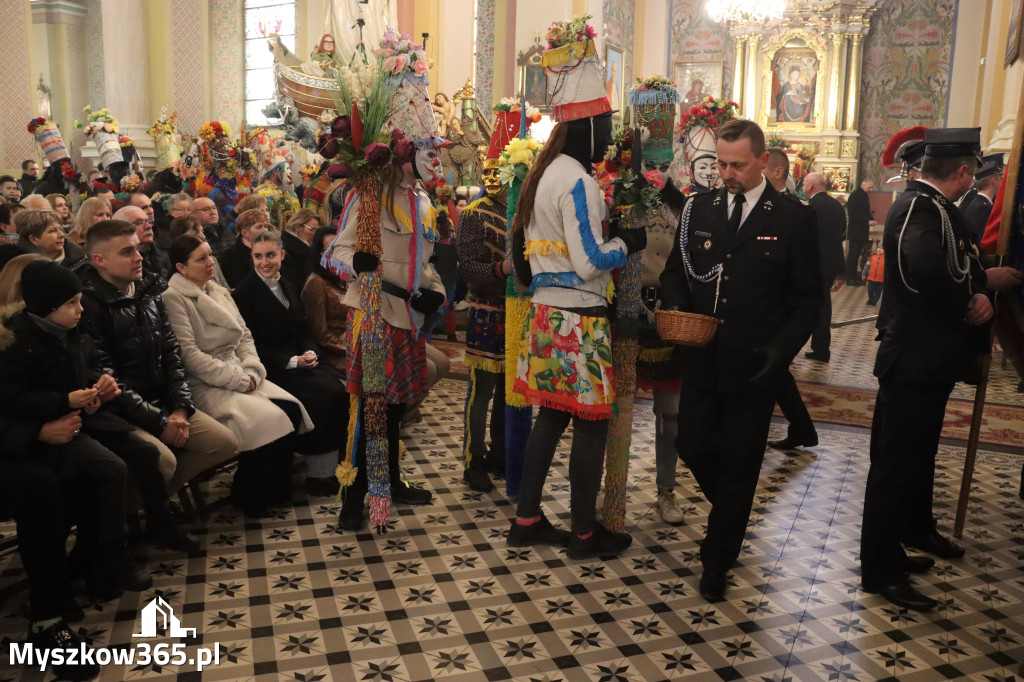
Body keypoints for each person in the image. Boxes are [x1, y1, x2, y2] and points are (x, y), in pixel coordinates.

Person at [660, 119, 820, 602]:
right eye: (722, 164)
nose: (726, 174)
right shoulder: (699, 209)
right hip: (702, 359)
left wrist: (781, 350)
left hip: (754, 365)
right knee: (692, 444)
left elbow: (808, 298)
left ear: (764, 161)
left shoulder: (792, 217)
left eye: (737, 165)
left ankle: (718, 555)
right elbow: (674, 275)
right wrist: (679, 311)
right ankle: (731, 511)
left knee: (743, 462)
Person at [860, 128, 1004, 611]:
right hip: (913, 360)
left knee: (913, 462)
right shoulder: (921, 208)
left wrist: (975, 281)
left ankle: (903, 542)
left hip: (927, 360)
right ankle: (880, 571)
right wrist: (975, 292)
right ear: (963, 172)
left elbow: (949, 261)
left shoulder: (928, 205)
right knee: (894, 468)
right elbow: (924, 267)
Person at [509, 116, 644, 558]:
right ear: (585, 130)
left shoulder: (543, 173)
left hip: (546, 313)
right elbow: (589, 262)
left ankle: (526, 518)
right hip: (579, 317)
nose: (608, 140)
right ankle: (584, 533)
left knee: (550, 418)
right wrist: (626, 242)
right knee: (591, 424)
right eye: (604, 130)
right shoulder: (578, 180)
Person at [0, 260, 154, 600]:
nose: (80, 310)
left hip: (70, 423)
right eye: (71, 303)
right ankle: (104, 558)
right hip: (35, 435)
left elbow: (79, 372)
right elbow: (12, 399)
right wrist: (63, 402)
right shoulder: (19, 341)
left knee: (124, 462)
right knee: (98, 473)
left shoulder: (64, 331)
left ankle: (103, 556)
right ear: (48, 306)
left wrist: (95, 392)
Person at [78, 219, 239, 494]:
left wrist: (179, 407)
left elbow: (172, 353)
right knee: (161, 460)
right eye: (127, 252)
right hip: (122, 411)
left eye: (138, 249)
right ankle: (143, 513)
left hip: (164, 401)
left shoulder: (149, 290)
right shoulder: (88, 305)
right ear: (99, 260)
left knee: (223, 443)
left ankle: (147, 504)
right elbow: (108, 377)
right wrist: (159, 423)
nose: (139, 257)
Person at [163, 234, 311, 516]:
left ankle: (275, 488)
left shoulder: (215, 289)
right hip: (207, 382)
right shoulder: (174, 298)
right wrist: (237, 378)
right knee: (265, 419)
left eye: (210, 255)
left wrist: (253, 369)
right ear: (181, 268)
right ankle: (249, 494)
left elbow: (244, 335)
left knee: (290, 408)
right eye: (202, 258)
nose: (210, 262)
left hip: (241, 369)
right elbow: (190, 357)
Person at [233, 231, 349, 496]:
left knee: (340, 387)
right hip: (271, 368)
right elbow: (249, 345)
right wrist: (291, 361)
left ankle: (338, 466)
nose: (265, 262)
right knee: (322, 395)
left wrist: (309, 352)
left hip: (299, 361)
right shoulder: (244, 294)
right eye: (258, 256)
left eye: (270, 255)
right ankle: (317, 475)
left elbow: (303, 329)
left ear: (282, 255)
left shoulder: (287, 285)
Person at [456, 114, 516, 493]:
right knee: (482, 392)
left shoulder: (518, 211)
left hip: (516, 313)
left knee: (511, 390)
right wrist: (502, 267)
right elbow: (469, 268)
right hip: (486, 312)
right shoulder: (474, 214)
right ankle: (472, 459)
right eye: (489, 170)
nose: (495, 177)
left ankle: (500, 453)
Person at [759, 155, 819, 452]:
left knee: (773, 372)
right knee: (776, 374)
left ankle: (802, 429)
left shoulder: (797, 212)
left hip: (780, 312)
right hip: (761, 310)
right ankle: (802, 429)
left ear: (777, 170)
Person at [802, 172, 846, 363]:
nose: (803, 187)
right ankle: (821, 348)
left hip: (814, 263)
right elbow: (843, 232)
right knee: (823, 304)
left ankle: (818, 349)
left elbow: (804, 237)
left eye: (804, 184)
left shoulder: (811, 207)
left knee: (813, 306)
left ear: (811, 186)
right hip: (831, 263)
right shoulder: (837, 205)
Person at [301, 226, 348, 374]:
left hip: (356, 341)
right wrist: (354, 349)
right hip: (335, 353)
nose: (338, 255)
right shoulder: (317, 283)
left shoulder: (344, 277)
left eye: (340, 249)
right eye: (331, 250)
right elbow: (321, 336)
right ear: (320, 254)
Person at [15, 208, 87, 268]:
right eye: (53, 230)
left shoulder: (79, 260)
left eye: (60, 229)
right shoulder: (18, 266)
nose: (62, 235)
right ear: (34, 239)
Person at [114, 205, 171, 280]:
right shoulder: (119, 268)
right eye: (139, 223)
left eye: (149, 221)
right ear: (120, 230)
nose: (148, 226)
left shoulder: (166, 254)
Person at [220, 208, 269, 288]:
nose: (265, 230)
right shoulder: (232, 256)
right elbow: (240, 286)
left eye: (265, 226)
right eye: (259, 227)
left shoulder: (269, 249)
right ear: (245, 233)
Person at [963, 155, 1002, 247]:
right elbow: (984, 244)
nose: (1002, 182)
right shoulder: (983, 208)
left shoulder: (977, 203)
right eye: (1000, 179)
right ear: (994, 181)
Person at [845, 179, 875, 285]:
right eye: (869, 187)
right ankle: (849, 278)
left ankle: (854, 276)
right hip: (855, 231)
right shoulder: (855, 196)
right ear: (863, 184)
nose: (870, 189)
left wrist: (871, 218)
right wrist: (867, 221)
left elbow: (865, 211)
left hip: (862, 230)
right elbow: (853, 214)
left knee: (857, 254)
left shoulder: (864, 195)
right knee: (853, 255)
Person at [280, 208, 319, 290]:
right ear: (298, 226)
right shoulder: (292, 249)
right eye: (311, 229)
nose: (315, 234)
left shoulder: (301, 245)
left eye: (317, 230)